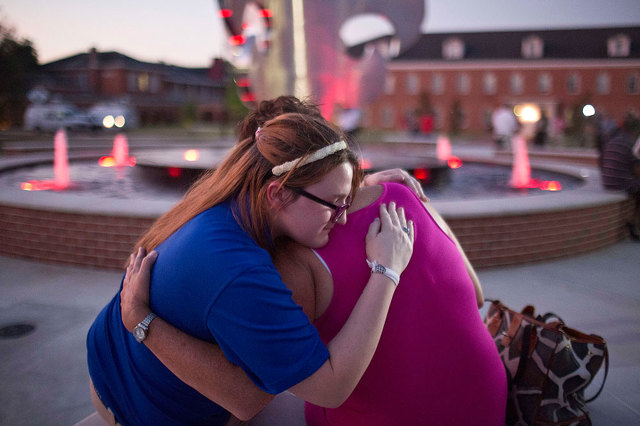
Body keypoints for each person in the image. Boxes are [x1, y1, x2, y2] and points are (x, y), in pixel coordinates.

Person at [117, 100, 506, 424]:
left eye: (347, 194)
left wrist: (385, 269)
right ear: (280, 192)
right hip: (489, 403)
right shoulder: (401, 197)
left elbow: (264, 395)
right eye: (337, 199)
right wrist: (414, 203)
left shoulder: (294, 263)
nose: (345, 210)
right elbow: (475, 295)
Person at [87, 112, 416, 425]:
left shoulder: (229, 200)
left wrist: (356, 190)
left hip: (111, 370)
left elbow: (309, 195)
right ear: (278, 194)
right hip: (136, 408)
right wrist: (386, 271)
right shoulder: (237, 269)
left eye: (346, 201)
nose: (342, 217)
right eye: (336, 204)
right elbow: (329, 388)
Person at [600, 113, 640, 240]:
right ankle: (633, 223)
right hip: (620, 182)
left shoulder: (613, 140)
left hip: (607, 180)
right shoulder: (631, 144)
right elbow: (637, 169)